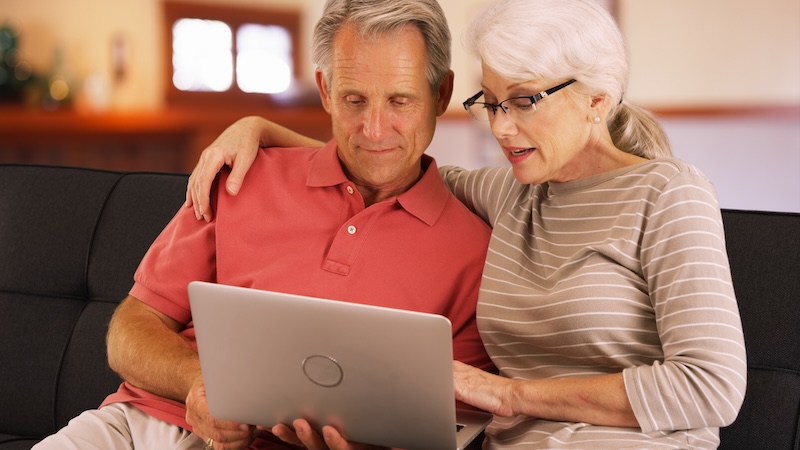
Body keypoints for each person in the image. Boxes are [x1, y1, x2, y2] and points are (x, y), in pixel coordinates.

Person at [185, 0, 748, 448]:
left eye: (524, 102)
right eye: (493, 102)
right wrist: (261, 129)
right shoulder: (510, 193)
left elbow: (711, 387)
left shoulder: (669, 193)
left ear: (596, 101)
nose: (500, 128)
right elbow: (386, 156)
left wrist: (509, 395)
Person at [32, 1, 496, 449]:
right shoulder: (243, 176)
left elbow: (448, 424)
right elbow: (130, 330)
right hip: (140, 425)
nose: (374, 129)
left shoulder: (474, 254)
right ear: (325, 90)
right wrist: (202, 384)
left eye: (400, 101)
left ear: (441, 94)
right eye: (354, 100)